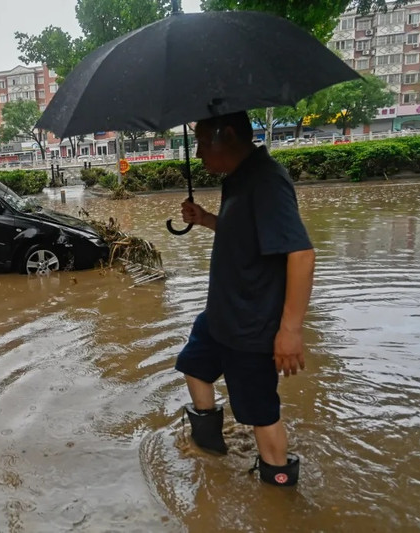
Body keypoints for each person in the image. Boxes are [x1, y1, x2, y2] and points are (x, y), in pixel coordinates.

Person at [174, 111, 315, 487]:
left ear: (229, 135)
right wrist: (206, 220)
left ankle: (279, 487)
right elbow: (248, 233)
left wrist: (290, 330)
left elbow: (301, 254)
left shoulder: (266, 181)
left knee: (259, 412)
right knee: (194, 365)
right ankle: (210, 450)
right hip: (221, 314)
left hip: (251, 324)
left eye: (203, 142)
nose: (200, 154)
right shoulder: (238, 179)